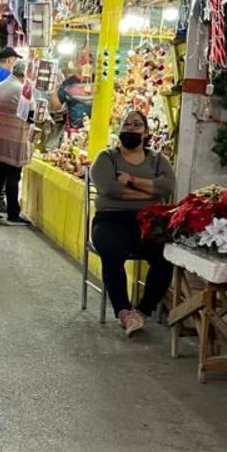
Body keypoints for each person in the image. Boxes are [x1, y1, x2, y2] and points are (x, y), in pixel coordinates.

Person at [90, 109, 176, 337]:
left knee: (165, 255)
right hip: (110, 219)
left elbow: (167, 186)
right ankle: (123, 311)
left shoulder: (158, 160)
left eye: (136, 125)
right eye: (126, 124)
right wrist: (149, 192)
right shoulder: (106, 158)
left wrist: (130, 180)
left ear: (146, 132)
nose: (130, 128)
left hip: (148, 221)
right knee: (112, 250)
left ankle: (142, 311)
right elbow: (110, 189)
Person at [0, 60, 33, 226]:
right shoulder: (22, 90)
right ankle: (13, 213)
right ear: (24, 74)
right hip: (14, 139)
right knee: (13, 176)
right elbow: (30, 114)